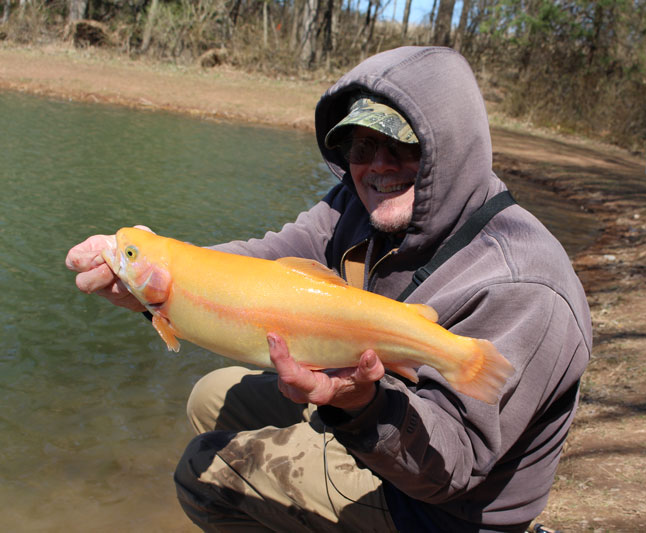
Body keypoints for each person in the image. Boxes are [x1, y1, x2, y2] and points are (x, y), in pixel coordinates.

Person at [66, 46, 592, 532]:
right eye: (362, 145)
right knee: (211, 398)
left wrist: (360, 406)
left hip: (444, 508)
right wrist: (160, 275)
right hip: (379, 414)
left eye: (401, 145)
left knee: (205, 473)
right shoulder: (355, 203)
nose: (378, 166)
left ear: (451, 150)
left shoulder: (526, 283)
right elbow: (268, 259)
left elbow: (451, 465)